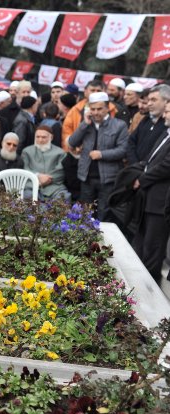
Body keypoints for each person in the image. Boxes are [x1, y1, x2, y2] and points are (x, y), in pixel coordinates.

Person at [67, 92, 128, 221]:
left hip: (108, 178)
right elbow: (72, 142)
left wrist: (101, 154)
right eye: (93, 109)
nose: (96, 112)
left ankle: (102, 241)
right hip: (86, 176)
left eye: (99, 109)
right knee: (85, 212)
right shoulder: (86, 124)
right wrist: (84, 124)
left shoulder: (119, 125)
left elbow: (123, 150)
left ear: (107, 108)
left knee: (103, 212)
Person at [131, 101, 170, 282]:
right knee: (141, 244)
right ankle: (137, 284)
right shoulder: (165, 133)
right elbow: (150, 160)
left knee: (153, 248)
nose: (165, 115)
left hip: (160, 202)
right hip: (148, 198)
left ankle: (150, 290)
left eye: (168, 112)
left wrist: (142, 179)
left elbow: (166, 166)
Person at [62, 80, 118, 152]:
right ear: (85, 92)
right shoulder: (75, 110)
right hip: (78, 154)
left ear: (104, 92)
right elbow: (66, 132)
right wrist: (72, 149)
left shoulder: (114, 110)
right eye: (92, 90)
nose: (95, 93)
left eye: (98, 91)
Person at [21, 126, 70, 201]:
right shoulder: (27, 151)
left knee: (64, 197)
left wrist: (47, 179)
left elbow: (60, 172)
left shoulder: (60, 152)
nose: (40, 140)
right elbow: (25, 169)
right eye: (37, 137)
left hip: (54, 187)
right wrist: (37, 176)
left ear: (51, 137)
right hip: (32, 186)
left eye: (44, 137)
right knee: (26, 197)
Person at [126, 84, 169, 165]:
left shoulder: (167, 125)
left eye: (154, 100)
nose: (149, 103)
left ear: (166, 101)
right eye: (149, 100)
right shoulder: (146, 119)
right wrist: (135, 164)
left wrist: (144, 168)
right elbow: (131, 142)